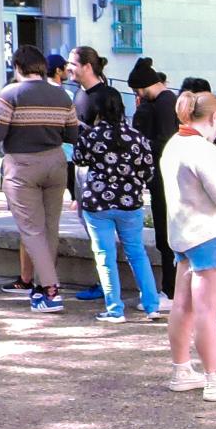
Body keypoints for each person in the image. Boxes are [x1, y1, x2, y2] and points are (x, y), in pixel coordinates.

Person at [161, 91, 216, 402]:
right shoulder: (204, 150)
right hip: (212, 235)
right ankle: (215, 379)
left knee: (183, 306)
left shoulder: (175, 144)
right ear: (215, 117)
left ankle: (182, 370)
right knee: (207, 311)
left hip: (184, 236)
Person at [0, 43, 78, 313]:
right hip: (55, 162)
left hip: (21, 165)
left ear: (18, 67)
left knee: (31, 230)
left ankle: (50, 290)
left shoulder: (10, 94)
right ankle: (41, 288)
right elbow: (72, 136)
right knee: (50, 228)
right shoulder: (62, 96)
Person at [73, 68, 163, 323]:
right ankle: (151, 304)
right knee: (137, 253)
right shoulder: (137, 138)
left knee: (105, 255)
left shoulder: (90, 136)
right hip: (130, 203)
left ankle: (115, 309)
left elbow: (79, 159)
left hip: (98, 203)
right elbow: (148, 172)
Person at [128, 57, 180, 303]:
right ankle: (171, 287)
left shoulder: (163, 104)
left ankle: (170, 289)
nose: (138, 94)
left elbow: (166, 141)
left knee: (166, 235)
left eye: (138, 89)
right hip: (164, 177)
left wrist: (142, 145)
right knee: (165, 235)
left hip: (164, 178)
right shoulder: (167, 101)